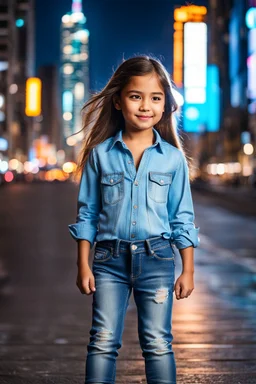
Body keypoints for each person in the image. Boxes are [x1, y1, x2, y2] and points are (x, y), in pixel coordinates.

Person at [68, 55, 200, 384]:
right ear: (118, 101)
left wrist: (188, 269)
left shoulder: (172, 159)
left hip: (157, 259)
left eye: (155, 98)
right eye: (135, 96)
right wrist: (83, 264)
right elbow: (87, 213)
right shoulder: (100, 155)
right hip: (108, 260)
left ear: (165, 105)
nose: (145, 106)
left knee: (157, 344)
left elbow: (182, 216)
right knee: (102, 342)